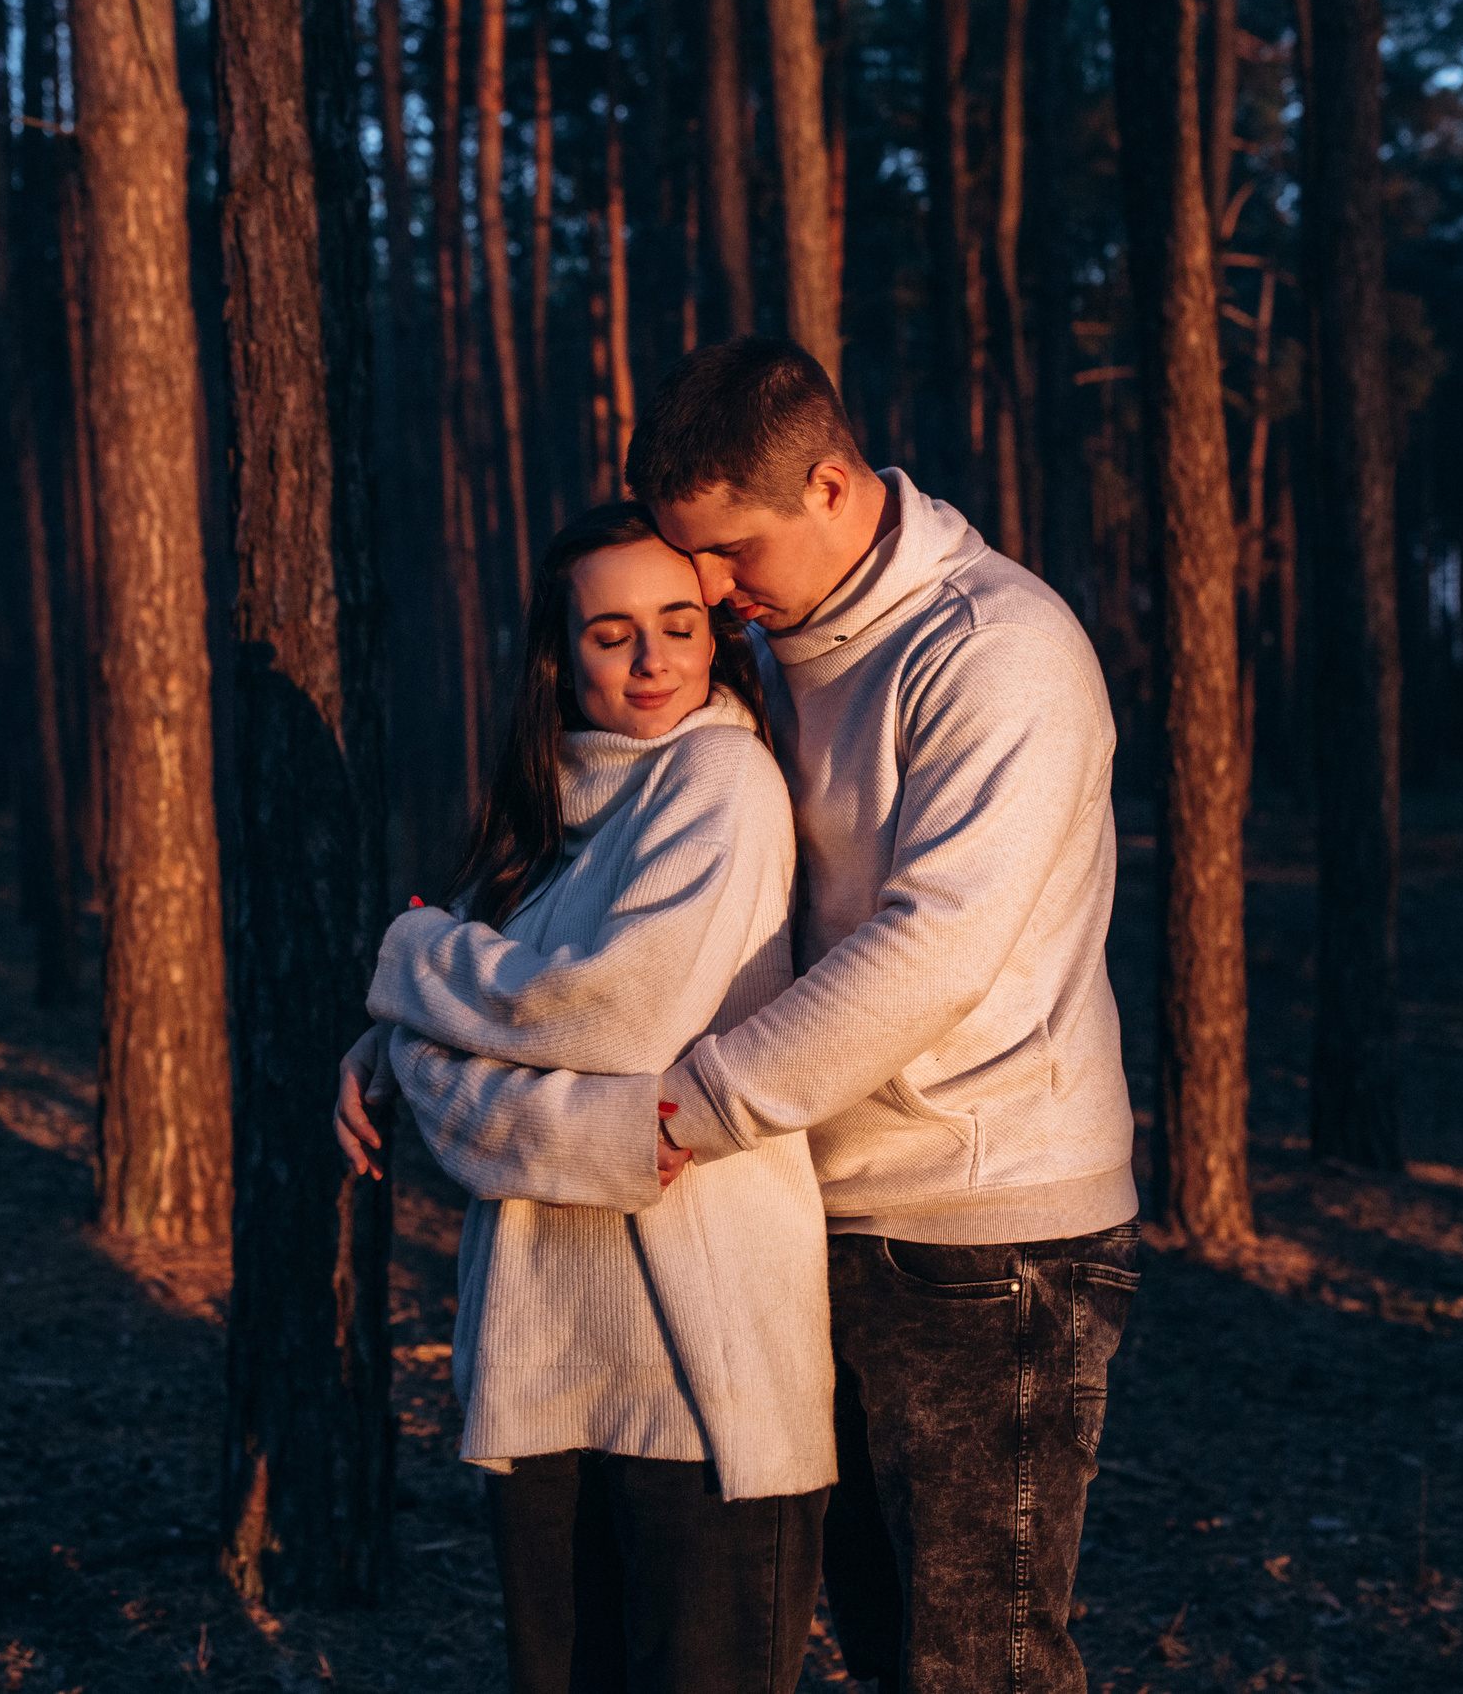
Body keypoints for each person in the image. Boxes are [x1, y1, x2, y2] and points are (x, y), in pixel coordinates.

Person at [340, 337, 1138, 1694]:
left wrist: (688, 1107)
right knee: (892, 1642)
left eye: (724, 558)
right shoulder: (799, 636)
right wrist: (406, 1025)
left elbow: (933, 945)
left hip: (984, 1227)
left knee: (979, 1659)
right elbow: (583, 905)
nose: (708, 591)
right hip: (833, 1196)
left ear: (829, 487)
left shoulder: (1000, 649)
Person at [350, 500, 834, 1694]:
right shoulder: (550, 824)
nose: (655, 658)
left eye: (679, 623)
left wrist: (413, 970)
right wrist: (413, 1050)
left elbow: (613, 1018)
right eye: (613, 633)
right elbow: (552, 1039)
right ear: (562, 654)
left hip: (698, 1375)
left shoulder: (720, 777)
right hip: (541, 1363)